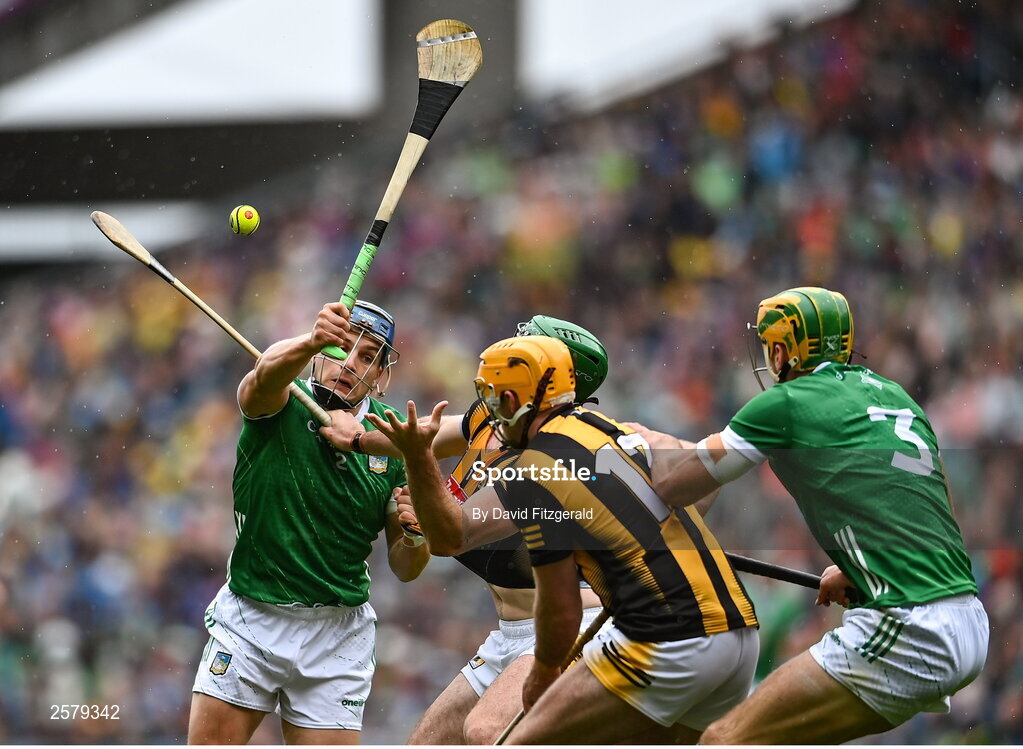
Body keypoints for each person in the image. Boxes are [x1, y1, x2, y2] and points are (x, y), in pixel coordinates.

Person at [629, 286, 989, 744]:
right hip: (969, 620)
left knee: (724, 739)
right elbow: (927, 502)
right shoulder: (895, 395)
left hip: (908, 628)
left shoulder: (786, 404)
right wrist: (862, 565)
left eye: (769, 347)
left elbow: (676, 487)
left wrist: (645, 443)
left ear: (782, 350)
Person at [366, 335, 760, 744]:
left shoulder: (533, 468)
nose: (490, 413)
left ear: (526, 398)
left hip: (658, 635)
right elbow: (707, 483)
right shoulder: (609, 433)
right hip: (735, 629)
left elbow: (459, 541)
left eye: (498, 398)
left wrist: (544, 670)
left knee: (492, 735)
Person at [320, 316, 607, 744]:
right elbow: (421, 439)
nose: (502, 357)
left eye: (520, 353)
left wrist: (429, 510)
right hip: (510, 635)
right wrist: (359, 437)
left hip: (570, 628)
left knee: (485, 730)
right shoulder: (496, 417)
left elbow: (462, 539)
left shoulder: (559, 451)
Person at [188, 300, 430, 745]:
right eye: (341, 347)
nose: (350, 363)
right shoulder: (280, 398)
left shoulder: (390, 441)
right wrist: (311, 339)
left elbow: (406, 566)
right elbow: (261, 378)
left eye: (367, 355)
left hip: (337, 637)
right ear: (319, 352)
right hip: (252, 618)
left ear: (381, 374)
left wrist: (416, 536)